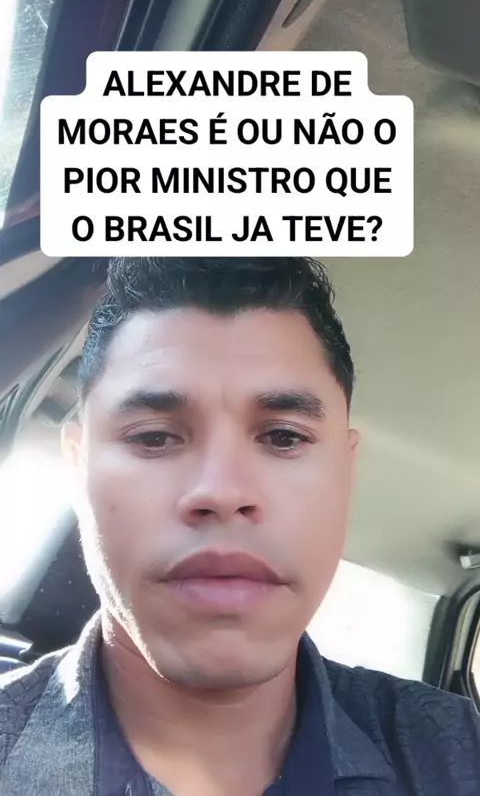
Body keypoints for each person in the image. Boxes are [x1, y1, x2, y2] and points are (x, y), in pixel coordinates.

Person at [1, 257, 479, 796]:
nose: (223, 492)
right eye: (154, 437)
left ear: (346, 475)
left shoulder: (457, 751)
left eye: (284, 437)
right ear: (77, 468)